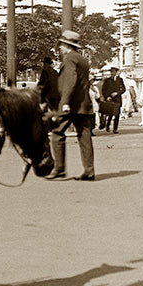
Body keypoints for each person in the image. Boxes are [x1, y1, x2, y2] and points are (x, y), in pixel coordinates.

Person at [49, 30, 95, 181]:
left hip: (71, 105)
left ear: (66, 45)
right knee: (84, 137)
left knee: (56, 133)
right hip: (84, 105)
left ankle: (60, 169)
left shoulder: (69, 59)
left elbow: (70, 80)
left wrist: (65, 102)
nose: (60, 48)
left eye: (61, 45)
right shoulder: (82, 59)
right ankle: (89, 171)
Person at [99, 65, 125, 133]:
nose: (112, 73)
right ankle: (108, 125)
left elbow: (123, 89)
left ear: (116, 72)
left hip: (117, 99)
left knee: (117, 114)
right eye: (111, 72)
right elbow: (104, 90)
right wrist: (107, 96)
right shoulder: (107, 80)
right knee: (110, 114)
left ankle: (115, 128)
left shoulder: (120, 80)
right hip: (110, 99)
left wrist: (117, 93)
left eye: (113, 71)